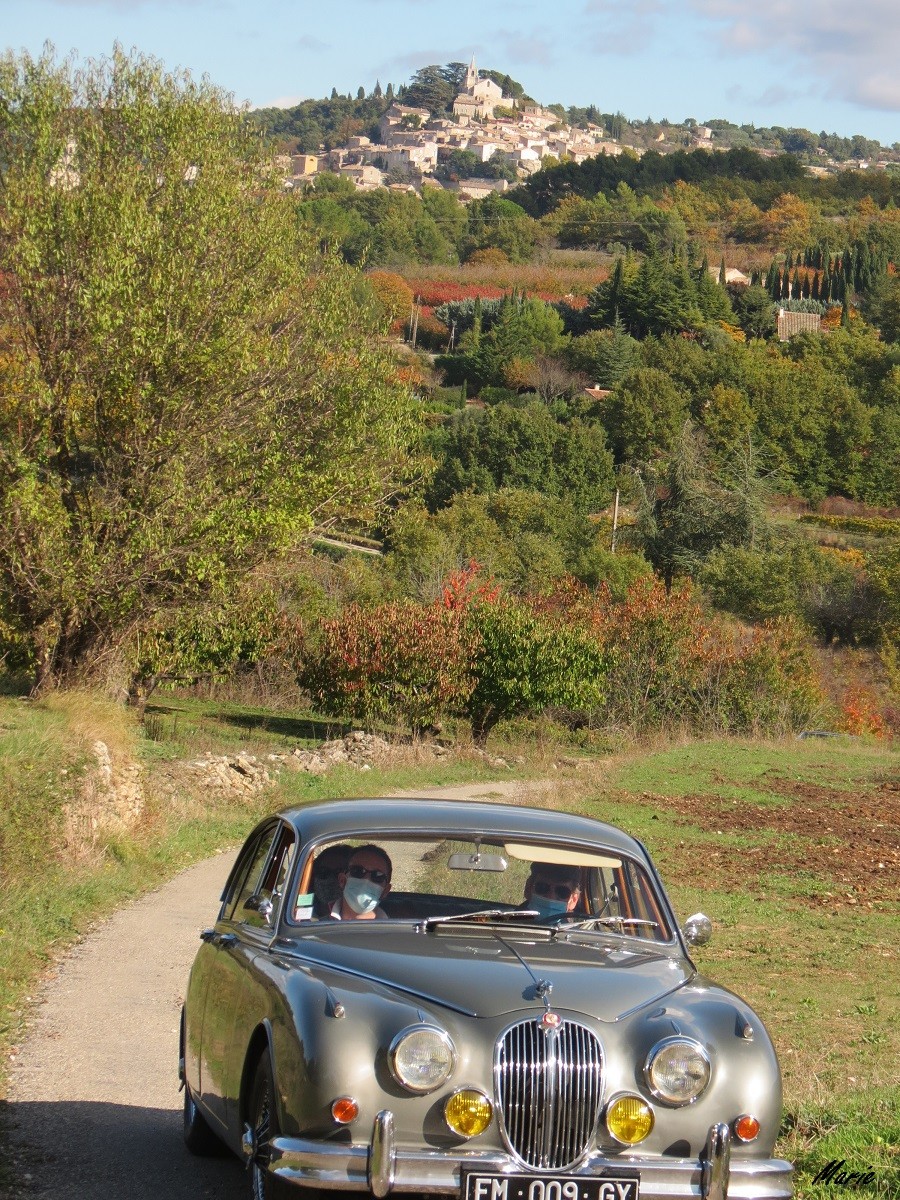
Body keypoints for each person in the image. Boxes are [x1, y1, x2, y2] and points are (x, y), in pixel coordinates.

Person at [331, 844, 393, 920]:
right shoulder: (316, 927)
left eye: (377, 875)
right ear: (342, 881)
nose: (366, 880)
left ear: (385, 891)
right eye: (357, 871)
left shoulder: (398, 931)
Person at [310, 843, 352, 917]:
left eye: (339, 872)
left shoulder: (357, 918)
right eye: (323, 872)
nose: (330, 879)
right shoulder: (296, 911)